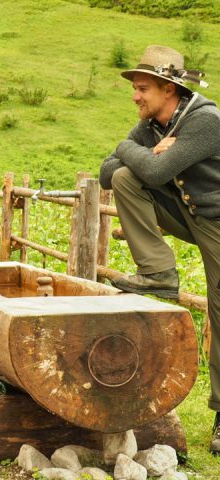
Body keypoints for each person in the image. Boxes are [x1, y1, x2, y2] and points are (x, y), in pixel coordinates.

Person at [99, 44, 220, 454]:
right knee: (126, 179)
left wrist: (139, 157)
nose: (135, 95)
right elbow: (107, 173)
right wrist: (137, 150)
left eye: (142, 87)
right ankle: (159, 273)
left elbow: (156, 170)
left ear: (169, 89)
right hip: (188, 215)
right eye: (135, 87)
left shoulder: (205, 121)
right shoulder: (151, 127)